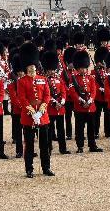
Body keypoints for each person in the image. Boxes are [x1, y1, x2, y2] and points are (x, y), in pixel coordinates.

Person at [16, 43, 53, 178]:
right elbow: (22, 98)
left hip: (42, 116)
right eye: (30, 66)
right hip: (29, 117)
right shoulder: (22, 81)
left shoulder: (42, 79)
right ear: (26, 67)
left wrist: (42, 109)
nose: (32, 68)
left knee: (44, 145)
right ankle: (29, 169)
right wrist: (32, 112)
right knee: (29, 145)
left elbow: (47, 95)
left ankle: (46, 167)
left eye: (34, 66)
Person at [66, 50, 102, 153]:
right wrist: (81, 101)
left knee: (91, 128)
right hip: (79, 107)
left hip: (90, 107)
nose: (84, 70)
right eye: (81, 68)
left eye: (85, 68)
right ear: (78, 68)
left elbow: (94, 90)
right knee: (79, 129)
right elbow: (72, 92)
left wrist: (90, 100)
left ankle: (92, 145)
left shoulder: (90, 78)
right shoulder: (73, 79)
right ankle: (80, 146)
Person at [41, 49, 68, 155]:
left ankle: (63, 148)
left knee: (61, 130)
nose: (51, 71)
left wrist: (61, 102)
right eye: (49, 70)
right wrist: (54, 102)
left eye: (52, 69)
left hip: (60, 108)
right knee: (49, 130)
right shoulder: (44, 80)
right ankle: (49, 148)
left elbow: (63, 92)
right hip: (50, 108)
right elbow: (45, 94)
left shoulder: (59, 79)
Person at [6, 54, 24, 158]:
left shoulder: (27, 80)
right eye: (19, 72)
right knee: (18, 132)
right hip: (17, 110)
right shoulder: (12, 82)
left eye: (22, 71)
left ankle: (28, 150)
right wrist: (22, 106)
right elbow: (13, 97)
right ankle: (19, 151)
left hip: (26, 110)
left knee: (27, 132)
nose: (21, 73)